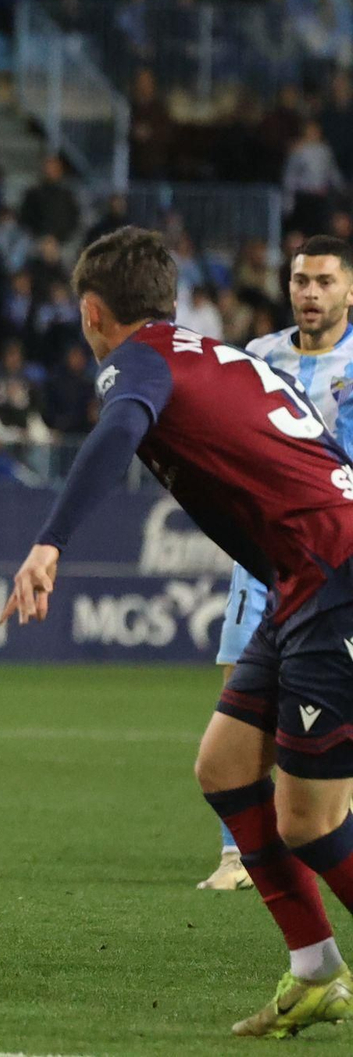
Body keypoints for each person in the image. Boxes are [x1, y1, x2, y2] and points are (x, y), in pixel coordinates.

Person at [2, 226, 353, 1038]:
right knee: (226, 768)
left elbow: (119, 431)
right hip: (306, 576)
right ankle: (316, 970)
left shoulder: (140, 361)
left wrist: (50, 540)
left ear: (94, 313)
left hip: (331, 576)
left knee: (310, 820)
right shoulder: (212, 351)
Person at [203, 235, 353, 892]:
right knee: (241, 689)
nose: (310, 293)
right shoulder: (258, 355)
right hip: (261, 556)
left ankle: (330, 828)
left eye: (324, 281)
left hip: (337, 561)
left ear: (349, 289)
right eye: (300, 281)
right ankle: (238, 853)